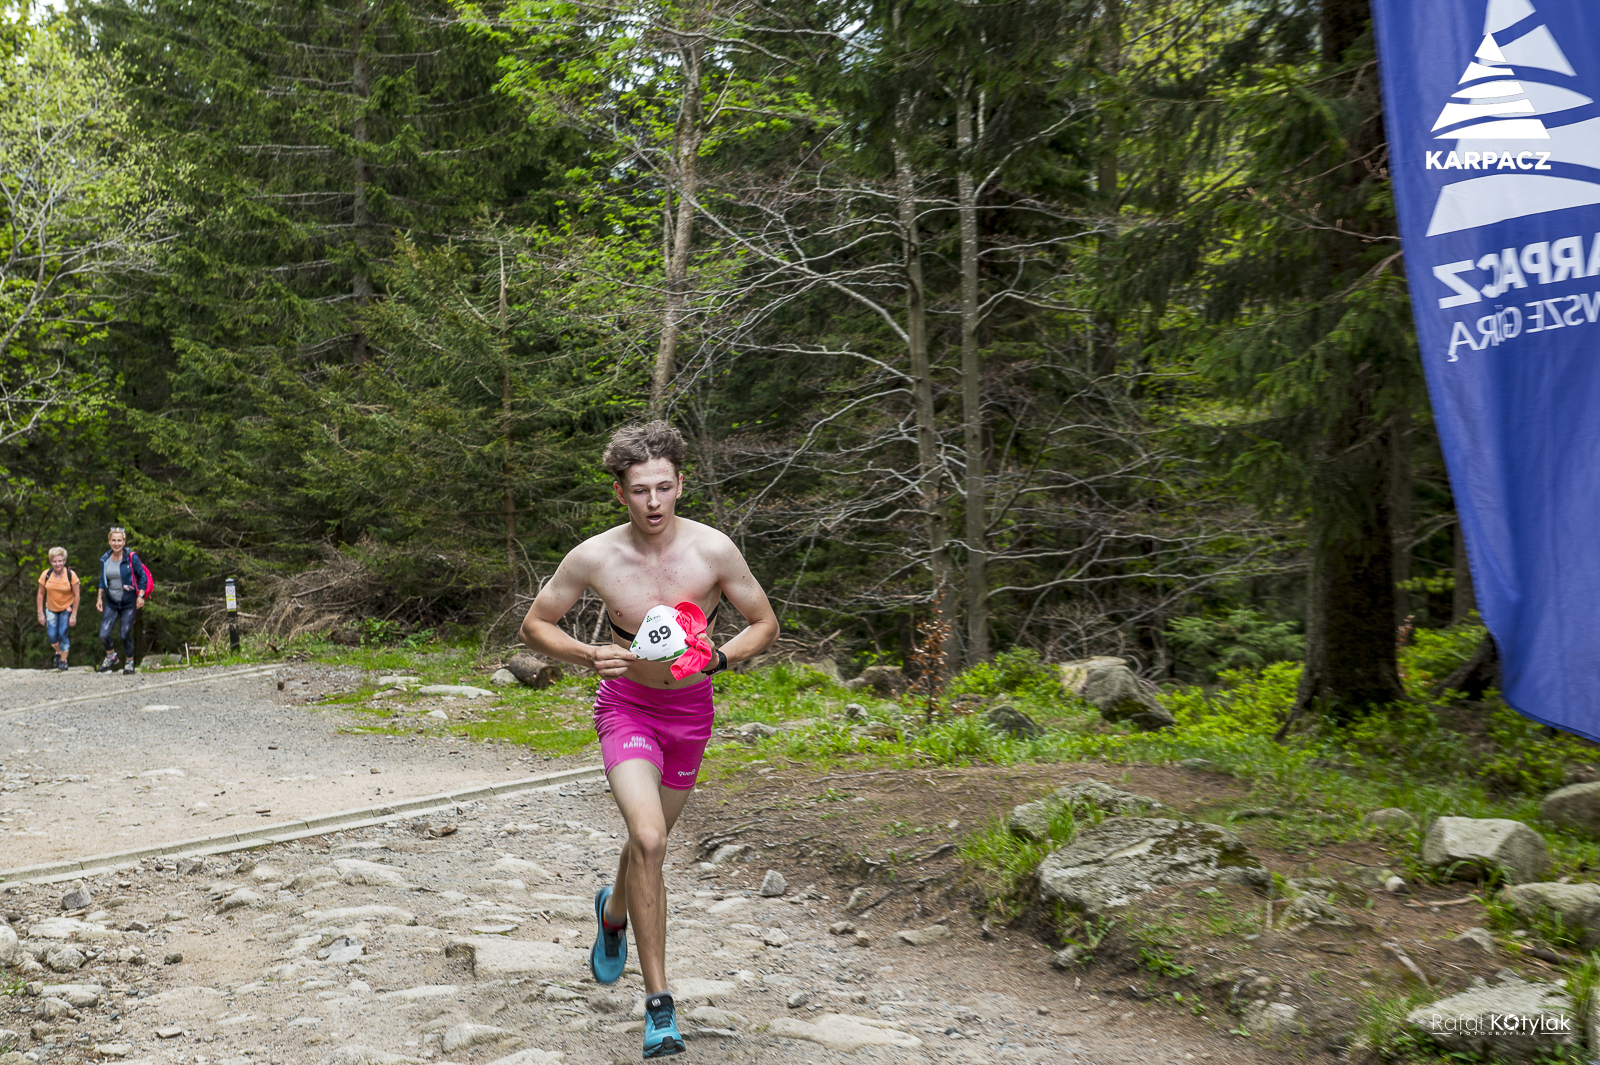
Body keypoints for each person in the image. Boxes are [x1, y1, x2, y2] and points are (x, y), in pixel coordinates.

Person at [520, 421, 778, 1060]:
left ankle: (613, 912)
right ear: (621, 493)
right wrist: (586, 654)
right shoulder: (596, 557)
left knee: (646, 843)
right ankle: (660, 1008)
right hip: (627, 708)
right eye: (640, 490)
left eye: (664, 487)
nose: (654, 502)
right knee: (652, 839)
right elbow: (535, 624)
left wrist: (721, 657)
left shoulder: (714, 551)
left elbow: (764, 623)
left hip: (690, 714)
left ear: (681, 483)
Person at [95, 527, 153, 675]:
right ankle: (111, 657)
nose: (116, 543)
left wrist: (141, 596)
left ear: (124, 541)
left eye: (119, 540)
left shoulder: (131, 558)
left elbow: (142, 577)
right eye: (113, 540)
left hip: (128, 602)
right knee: (104, 634)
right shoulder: (105, 559)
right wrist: (99, 597)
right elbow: (103, 580)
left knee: (124, 633)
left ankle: (129, 662)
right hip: (111, 602)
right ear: (109, 541)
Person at [36, 547, 81, 671]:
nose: (58, 564)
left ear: (64, 561)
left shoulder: (71, 575)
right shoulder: (46, 575)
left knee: (62, 633)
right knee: (52, 637)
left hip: (66, 608)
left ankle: (63, 661)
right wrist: (40, 613)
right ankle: (59, 652)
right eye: (55, 561)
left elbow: (77, 595)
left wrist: (74, 614)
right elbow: (40, 594)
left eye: (60, 561)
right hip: (51, 608)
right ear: (51, 561)